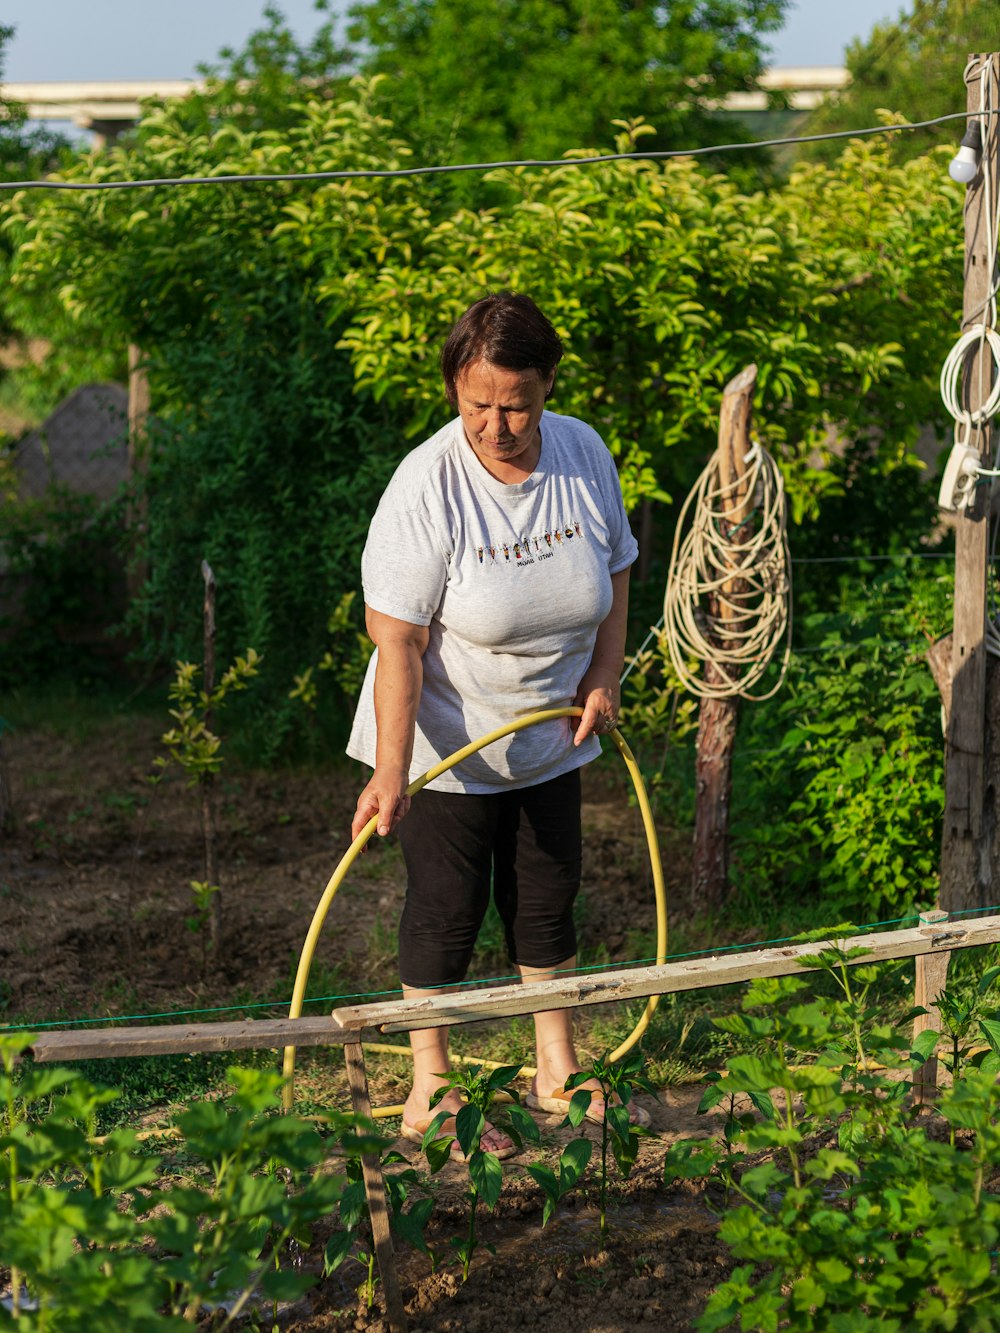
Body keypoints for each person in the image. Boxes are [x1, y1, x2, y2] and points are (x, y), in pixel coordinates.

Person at [347, 291, 645, 1156]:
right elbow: (397, 641)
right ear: (455, 390)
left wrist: (603, 671)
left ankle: (557, 1066)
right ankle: (430, 1086)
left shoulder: (583, 452)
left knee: (547, 895)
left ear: (548, 384)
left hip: (554, 725)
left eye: (516, 402)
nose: (497, 424)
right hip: (446, 737)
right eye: (477, 403)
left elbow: (617, 570)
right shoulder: (428, 483)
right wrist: (394, 767)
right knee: (446, 904)